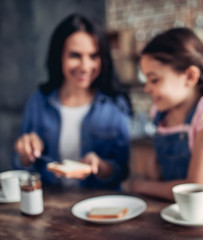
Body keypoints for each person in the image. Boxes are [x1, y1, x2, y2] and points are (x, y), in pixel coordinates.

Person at [124, 27, 203, 202]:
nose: (147, 89)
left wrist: (139, 185)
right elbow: (155, 172)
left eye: (154, 80)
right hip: (180, 209)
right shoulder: (162, 114)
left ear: (190, 76)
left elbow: (197, 188)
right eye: (146, 80)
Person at [13, 13, 131, 190]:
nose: (85, 66)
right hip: (50, 205)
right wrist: (25, 153)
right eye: (75, 55)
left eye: (93, 56)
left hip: (99, 206)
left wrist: (100, 166)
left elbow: (123, 171)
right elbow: (20, 167)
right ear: (59, 56)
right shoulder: (38, 101)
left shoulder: (116, 105)